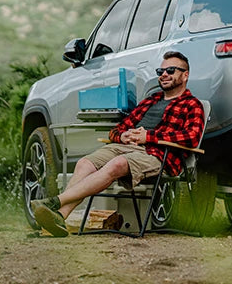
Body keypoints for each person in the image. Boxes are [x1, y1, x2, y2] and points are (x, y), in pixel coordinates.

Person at [31, 50, 204, 237]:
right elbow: (117, 130)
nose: (163, 75)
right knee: (84, 163)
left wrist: (149, 137)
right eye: (160, 71)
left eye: (170, 70)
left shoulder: (192, 105)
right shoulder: (150, 101)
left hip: (158, 155)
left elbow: (191, 137)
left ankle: (55, 202)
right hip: (125, 147)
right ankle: (59, 218)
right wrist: (122, 137)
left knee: (117, 164)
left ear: (185, 75)